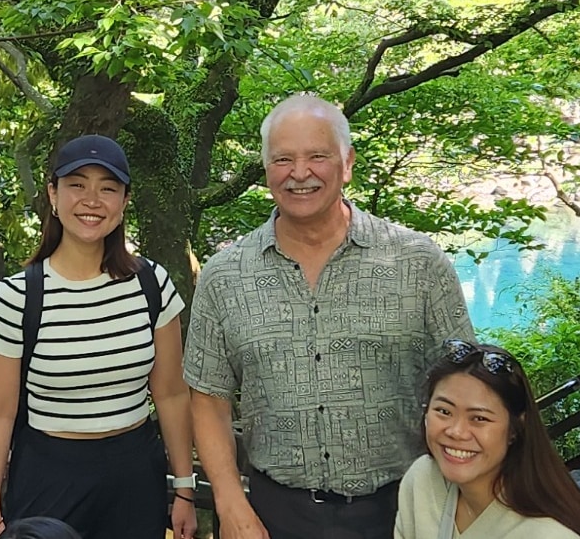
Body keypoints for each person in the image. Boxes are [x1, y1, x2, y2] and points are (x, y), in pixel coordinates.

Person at [185, 93, 474, 539]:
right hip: (274, 513)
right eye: (283, 159)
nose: (300, 173)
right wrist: (229, 502)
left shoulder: (418, 262)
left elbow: (468, 387)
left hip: (406, 508)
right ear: (266, 168)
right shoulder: (225, 275)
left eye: (317, 156)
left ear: (347, 162)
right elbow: (208, 397)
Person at [0, 134, 197, 539]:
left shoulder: (151, 284)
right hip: (48, 474)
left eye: (107, 188)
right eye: (77, 185)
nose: (91, 200)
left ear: (125, 201)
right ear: (53, 195)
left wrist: (184, 487)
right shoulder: (17, 296)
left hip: (135, 474)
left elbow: (170, 392)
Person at [396, 342, 580, 539]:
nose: (457, 432)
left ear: (515, 428)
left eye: (479, 418)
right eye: (443, 411)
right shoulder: (422, 481)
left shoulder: (546, 534)